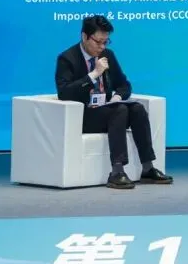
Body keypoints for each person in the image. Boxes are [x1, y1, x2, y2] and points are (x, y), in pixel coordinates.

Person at [54, 14, 173, 189]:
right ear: (85, 36)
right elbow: (64, 92)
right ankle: (117, 171)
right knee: (119, 111)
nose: (102, 47)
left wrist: (118, 97)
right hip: (85, 116)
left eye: (106, 42)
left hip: (108, 110)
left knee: (137, 109)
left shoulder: (107, 55)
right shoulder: (67, 58)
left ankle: (148, 168)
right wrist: (93, 75)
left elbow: (124, 84)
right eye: (98, 42)